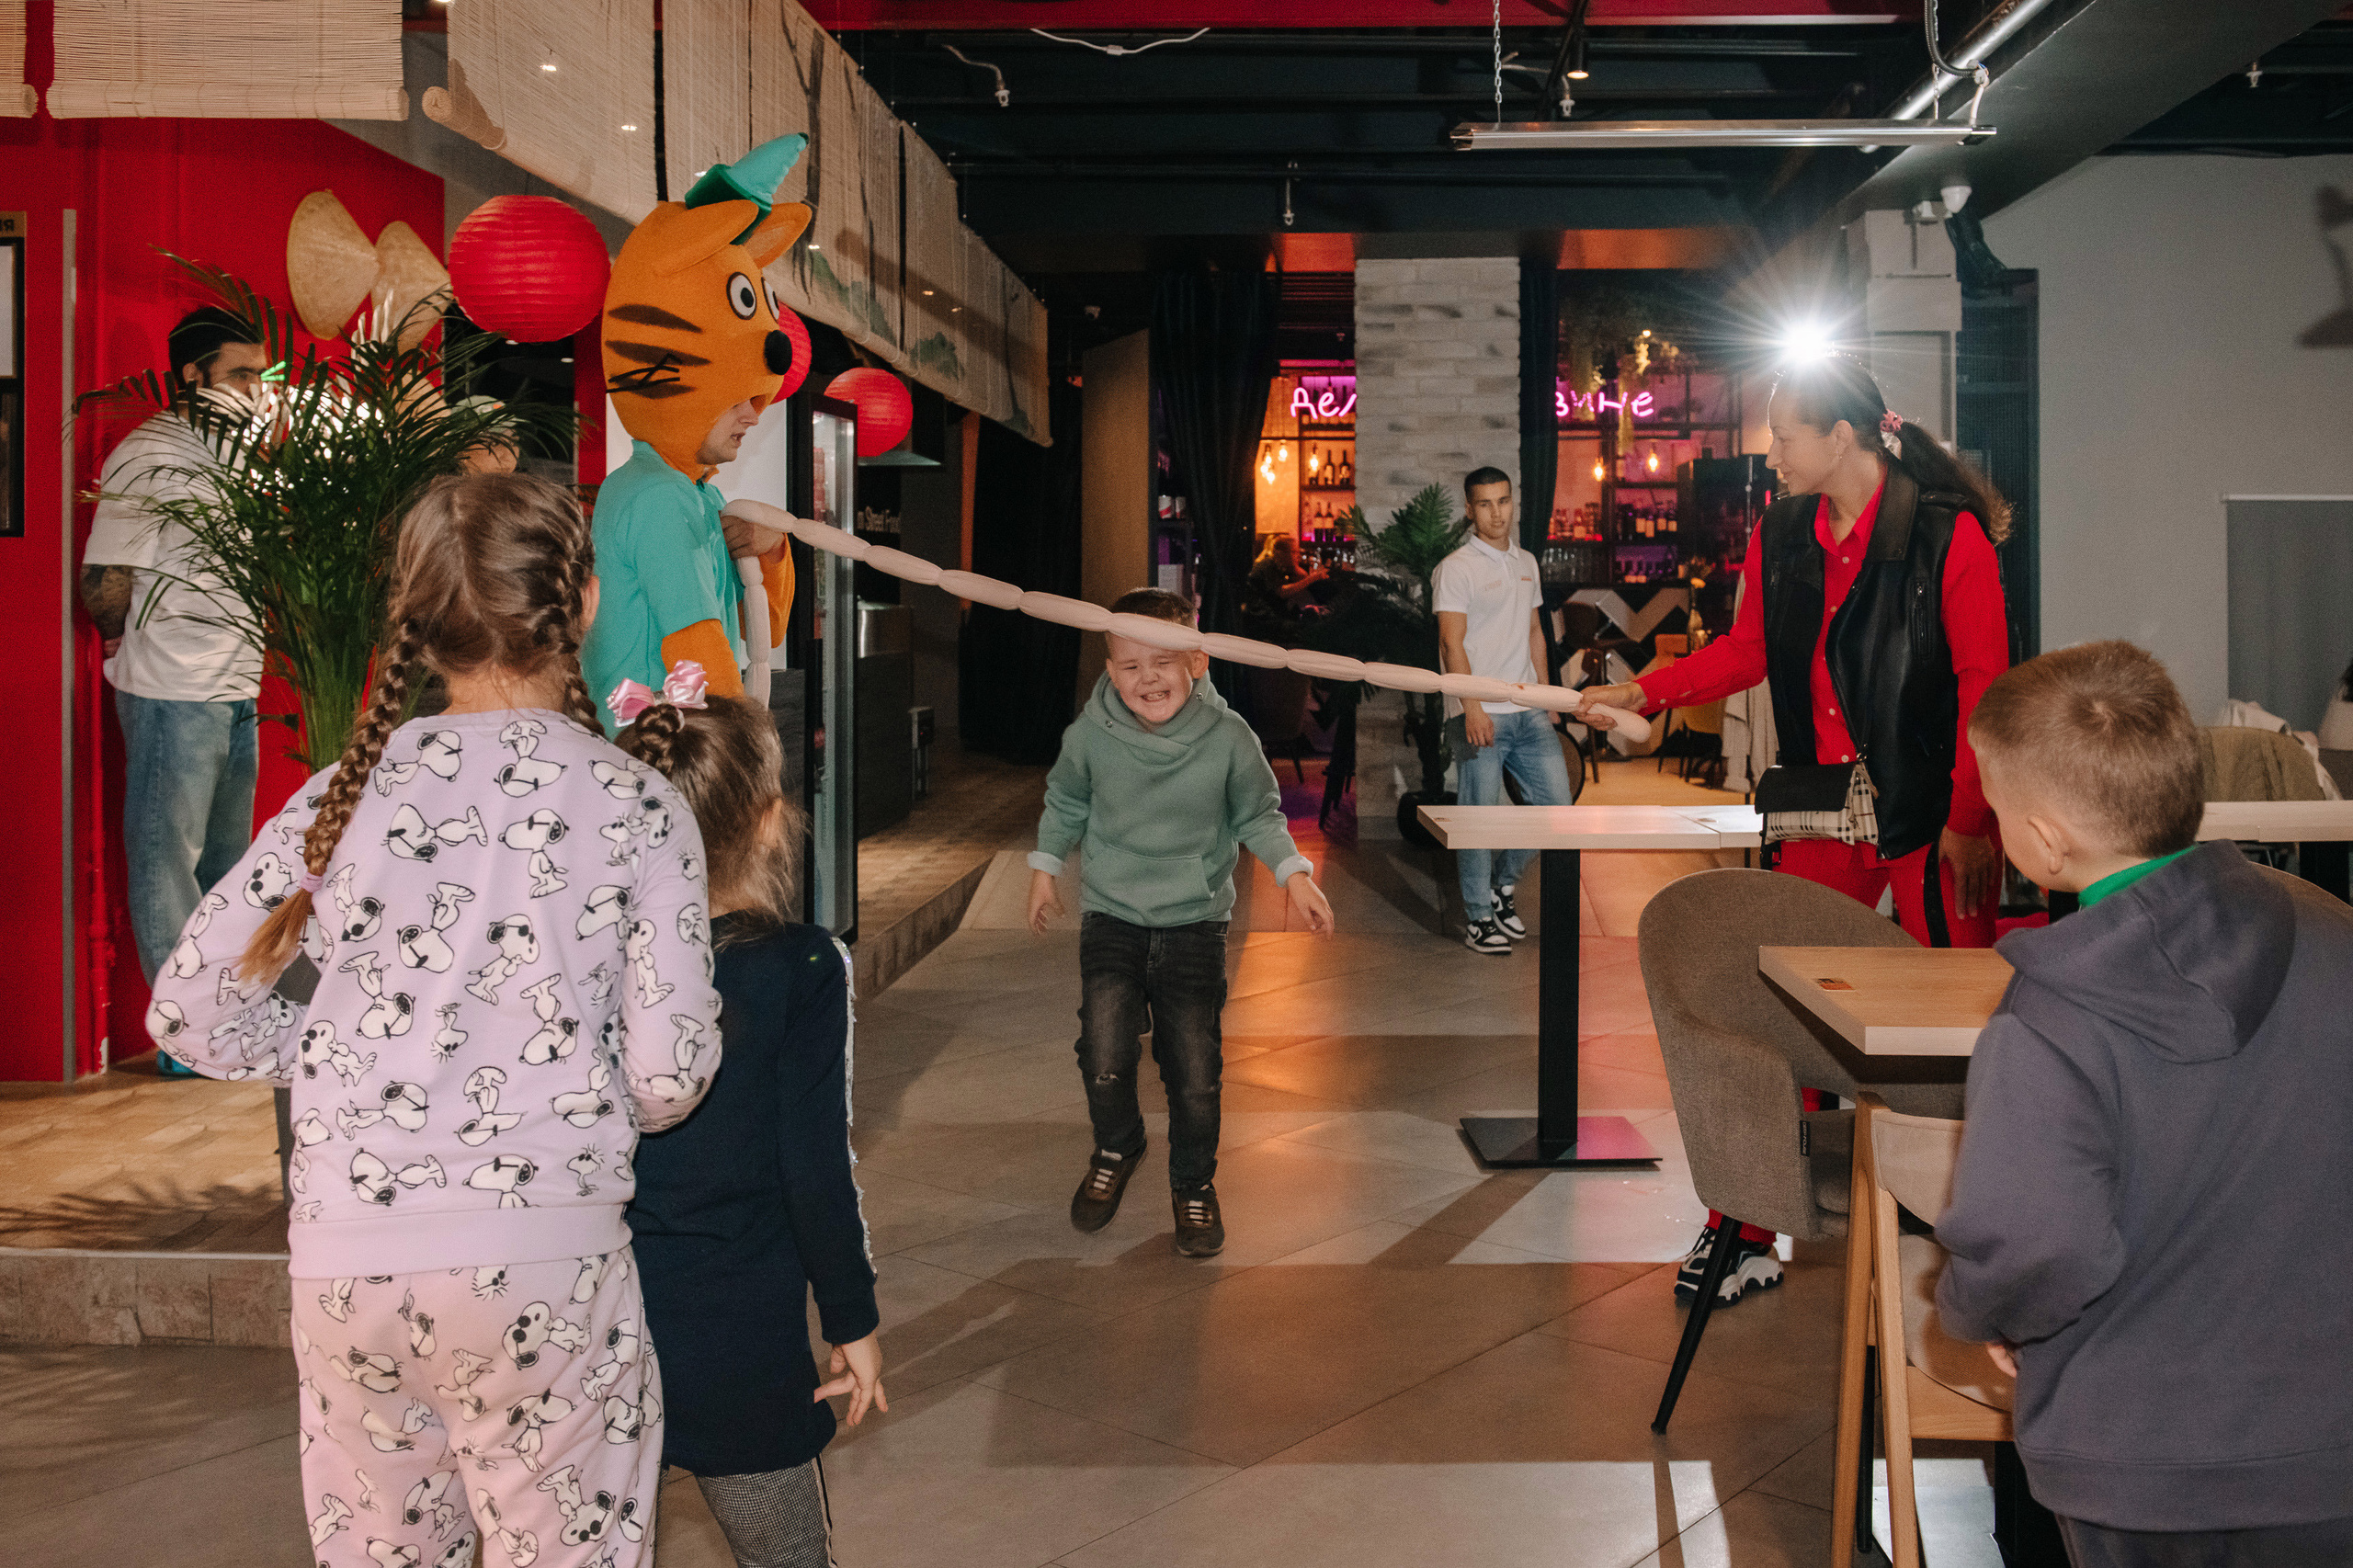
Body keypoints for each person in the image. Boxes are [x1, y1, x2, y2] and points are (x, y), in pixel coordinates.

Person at [145, 473, 721, 1568]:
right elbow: (669, 1075)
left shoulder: (343, 794)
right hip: (543, 1263)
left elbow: (188, 1008)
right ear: (584, 602)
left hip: (346, 1269)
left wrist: (323, 1052)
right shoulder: (635, 802)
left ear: (417, 623)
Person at [1585, 355, 2012, 1308]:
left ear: (1842, 437)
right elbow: (1746, 650)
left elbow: (1987, 681)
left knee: (1955, 1022)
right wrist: (1641, 688)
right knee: (1786, 1002)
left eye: (1782, 436)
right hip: (1822, 801)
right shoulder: (1782, 531)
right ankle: (1749, 1224)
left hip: (1927, 806)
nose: (1768, 453)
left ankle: (1976, 1221)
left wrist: (1968, 817)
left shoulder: (1947, 537)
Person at [1936, 641, 2353, 1566]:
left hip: (2139, 1464)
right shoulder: (2334, 935)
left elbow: (2030, 1234)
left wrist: (1991, 1307)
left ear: (2042, 840)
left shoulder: (2049, 1017)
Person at [619, 681, 884, 1568]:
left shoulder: (581, 958)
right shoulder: (801, 966)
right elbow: (813, 1166)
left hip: (594, 1318)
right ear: (771, 820)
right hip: (736, 1333)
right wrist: (852, 1320)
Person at [1026, 588, 1336, 1257]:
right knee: (1105, 1054)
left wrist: (1295, 873)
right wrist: (1046, 867)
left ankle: (1193, 1184)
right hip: (1112, 915)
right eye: (1131, 665)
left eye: (1163, 662)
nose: (1148, 679)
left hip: (1195, 922)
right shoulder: (1090, 736)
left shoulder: (1228, 739)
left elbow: (1258, 814)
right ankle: (1119, 1143)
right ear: (1110, 671)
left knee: (1193, 1070)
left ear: (1196, 660)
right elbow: (1067, 801)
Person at [81, 307, 270, 1074]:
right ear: (192, 375)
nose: (256, 390)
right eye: (241, 374)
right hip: (171, 685)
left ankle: (220, 1023)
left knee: (227, 866)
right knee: (167, 860)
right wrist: (121, 639)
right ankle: (181, 1042)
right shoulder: (150, 453)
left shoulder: (235, 456)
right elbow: (105, 576)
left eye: (261, 375)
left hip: (235, 680)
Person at [583, 134, 812, 725]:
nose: (753, 415)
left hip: (655, 753)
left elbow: (761, 626)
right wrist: (738, 767)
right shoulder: (659, 497)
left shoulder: (694, 493)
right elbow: (698, 646)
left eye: (755, 398)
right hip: (653, 760)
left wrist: (771, 551)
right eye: (736, 398)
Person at [1436, 466, 1576, 955]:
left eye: (1504, 501)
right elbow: (1452, 645)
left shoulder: (1526, 561)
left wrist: (1548, 696)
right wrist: (1471, 707)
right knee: (1478, 816)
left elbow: (1535, 632)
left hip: (1529, 708)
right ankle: (1478, 917)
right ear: (1470, 510)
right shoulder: (1456, 568)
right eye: (1485, 504)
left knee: (1556, 810)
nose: (1497, 513)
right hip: (1480, 713)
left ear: (1514, 502)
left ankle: (1502, 884)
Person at [1241, 533, 1330, 640]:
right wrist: (1312, 578)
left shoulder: (1281, 568)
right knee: (1310, 633)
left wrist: (1297, 569)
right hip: (1263, 619)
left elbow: (1300, 583)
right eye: (1293, 552)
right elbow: (1282, 592)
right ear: (1280, 553)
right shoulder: (1267, 565)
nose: (1298, 555)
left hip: (1274, 617)